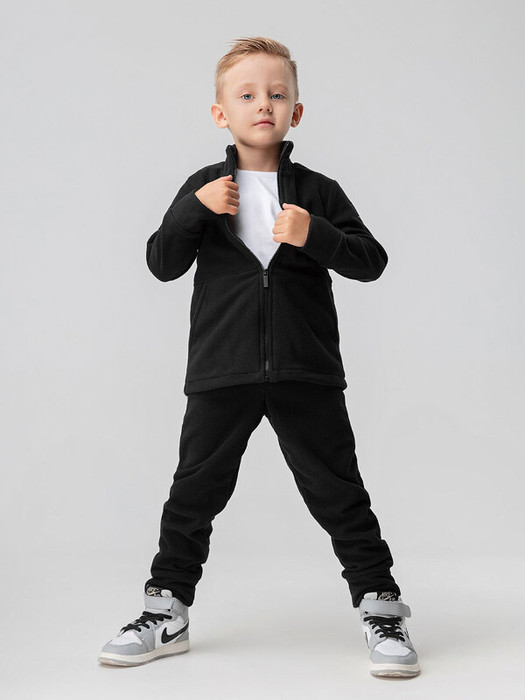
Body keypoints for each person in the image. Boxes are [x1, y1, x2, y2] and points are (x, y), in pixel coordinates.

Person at [98, 36, 420, 679]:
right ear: (221, 113)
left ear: (296, 111)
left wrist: (315, 234)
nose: (263, 104)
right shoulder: (203, 189)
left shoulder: (319, 192)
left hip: (306, 370)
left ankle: (382, 608)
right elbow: (161, 263)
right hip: (222, 371)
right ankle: (165, 611)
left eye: (277, 94)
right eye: (247, 95)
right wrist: (193, 211)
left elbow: (371, 261)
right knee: (193, 494)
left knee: (339, 492)